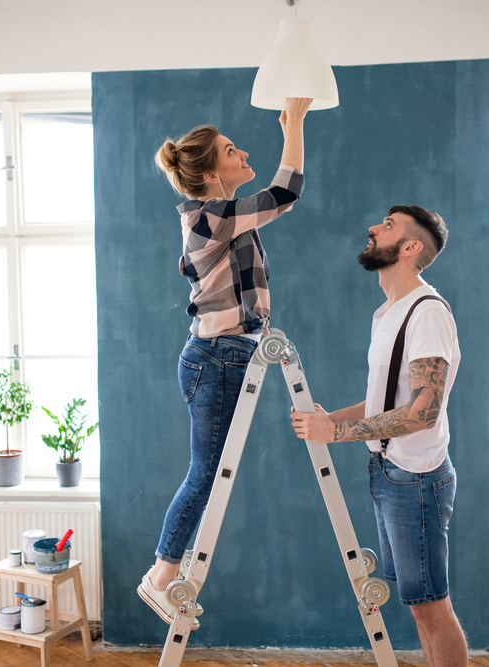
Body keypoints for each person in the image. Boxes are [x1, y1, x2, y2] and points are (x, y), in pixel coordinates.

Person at [138, 97, 313, 629]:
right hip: (216, 358)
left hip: (229, 355)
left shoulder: (226, 218)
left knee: (211, 471)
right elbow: (285, 192)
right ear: (212, 172)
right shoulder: (209, 217)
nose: (243, 153)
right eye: (232, 151)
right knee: (206, 472)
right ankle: (161, 577)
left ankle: (169, 569)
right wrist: (296, 124)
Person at [290, 205, 467, 667]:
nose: (372, 227)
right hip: (389, 473)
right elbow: (388, 403)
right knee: (418, 605)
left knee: (431, 607)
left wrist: (338, 431)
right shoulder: (389, 311)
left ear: (409, 249)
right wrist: (330, 420)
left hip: (416, 480)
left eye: (387, 226)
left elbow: (422, 412)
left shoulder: (426, 313)